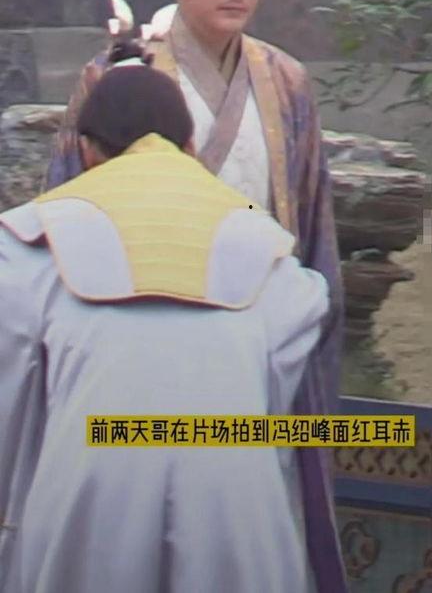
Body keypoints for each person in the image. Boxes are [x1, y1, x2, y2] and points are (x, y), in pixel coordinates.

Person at [43, 0, 346, 591]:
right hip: (129, 358)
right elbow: (65, 226)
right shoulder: (118, 80)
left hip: (254, 359)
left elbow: (314, 246)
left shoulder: (287, 84)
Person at [0, 62, 333, 593]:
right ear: (190, 146)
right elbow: (280, 388)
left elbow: (12, 412)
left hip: (87, 496)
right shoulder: (266, 250)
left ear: (87, 151)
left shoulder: (29, 245)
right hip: (237, 502)